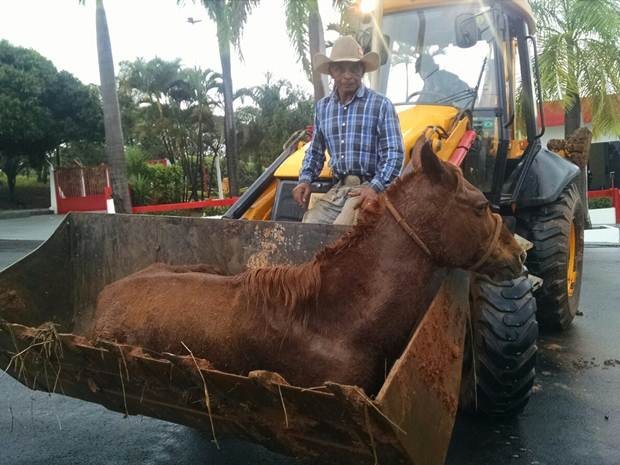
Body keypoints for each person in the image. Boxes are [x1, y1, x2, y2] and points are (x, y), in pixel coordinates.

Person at [292, 36, 404, 225]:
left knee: (341, 230)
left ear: (362, 70)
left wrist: (374, 188)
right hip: (339, 189)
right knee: (309, 226)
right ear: (331, 72)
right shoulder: (323, 108)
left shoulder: (380, 104)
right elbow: (315, 151)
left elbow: (394, 153)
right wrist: (305, 180)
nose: (347, 75)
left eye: (354, 69)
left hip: (370, 186)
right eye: (340, 68)